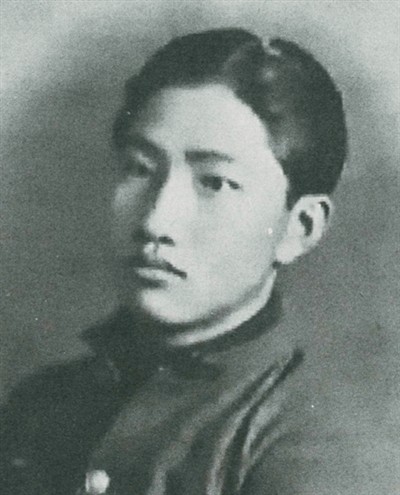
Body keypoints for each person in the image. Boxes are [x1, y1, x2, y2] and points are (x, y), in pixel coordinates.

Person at [0, 28, 347, 494]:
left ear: (300, 227)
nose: (156, 221)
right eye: (139, 168)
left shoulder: (317, 440)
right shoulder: (41, 405)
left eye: (215, 182)